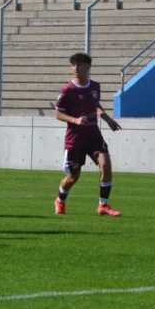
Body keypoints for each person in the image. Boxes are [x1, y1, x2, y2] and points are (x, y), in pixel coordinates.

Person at [54, 52, 123, 217]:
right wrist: (75, 120)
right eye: (73, 65)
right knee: (73, 177)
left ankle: (103, 205)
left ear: (88, 67)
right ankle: (60, 200)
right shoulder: (67, 90)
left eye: (79, 65)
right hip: (75, 139)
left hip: (93, 135)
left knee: (105, 165)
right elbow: (58, 114)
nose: (75, 68)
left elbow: (95, 104)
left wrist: (106, 118)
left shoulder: (95, 86)